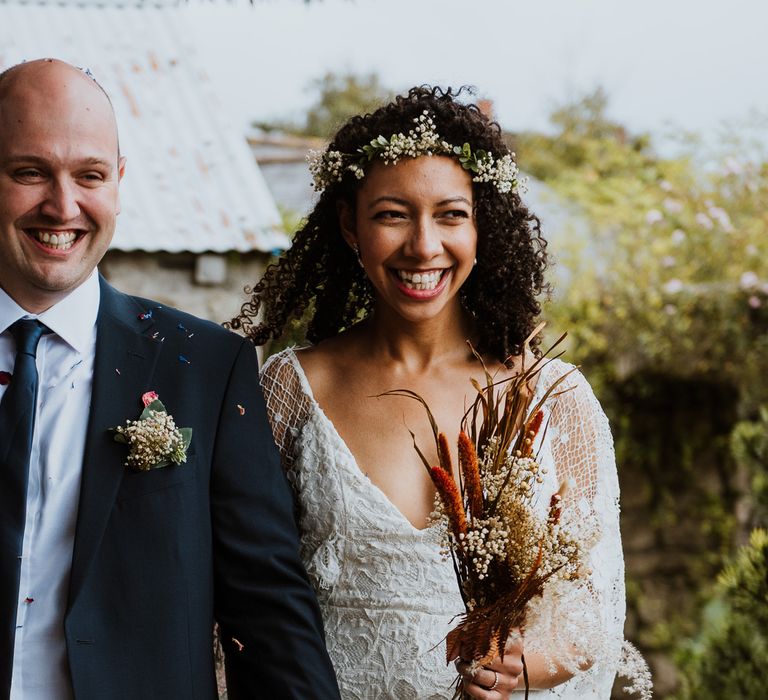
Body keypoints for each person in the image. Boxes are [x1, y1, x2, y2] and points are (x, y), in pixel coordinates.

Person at [231, 87, 628, 699]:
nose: (423, 245)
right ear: (350, 225)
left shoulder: (551, 394)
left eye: (451, 214)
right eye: (392, 213)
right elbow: (242, 592)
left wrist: (528, 664)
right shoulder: (292, 390)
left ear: (481, 225)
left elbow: (595, 602)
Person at [0, 58, 340, 699]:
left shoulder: (207, 370)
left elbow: (266, 610)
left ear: (119, 183)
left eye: (90, 176)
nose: (63, 204)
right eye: (29, 172)